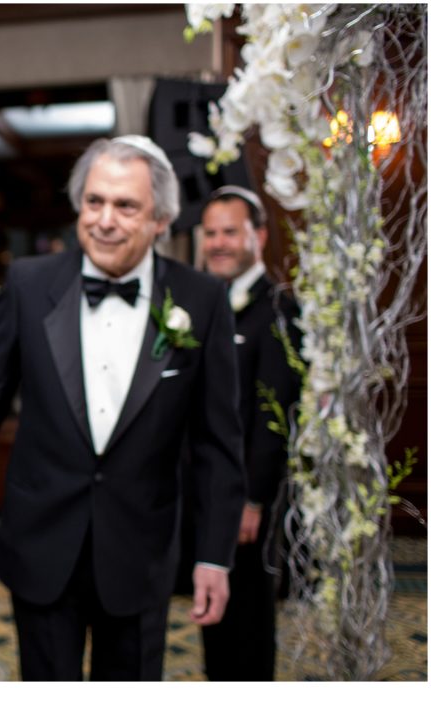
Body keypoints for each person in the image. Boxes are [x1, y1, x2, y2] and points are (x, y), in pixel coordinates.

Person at [0, 135, 246, 681]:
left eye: (126, 206)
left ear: (160, 220)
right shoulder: (30, 285)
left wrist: (214, 554)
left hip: (141, 552)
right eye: (94, 202)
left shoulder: (201, 300)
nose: (105, 220)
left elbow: (218, 442)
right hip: (41, 545)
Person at [194, 185, 302, 680]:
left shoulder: (277, 310)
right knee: (216, 611)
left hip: (247, 501)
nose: (217, 243)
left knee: (248, 618)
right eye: (210, 233)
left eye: (229, 232)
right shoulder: (203, 302)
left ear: (258, 236)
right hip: (207, 490)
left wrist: (253, 498)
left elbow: (272, 413)